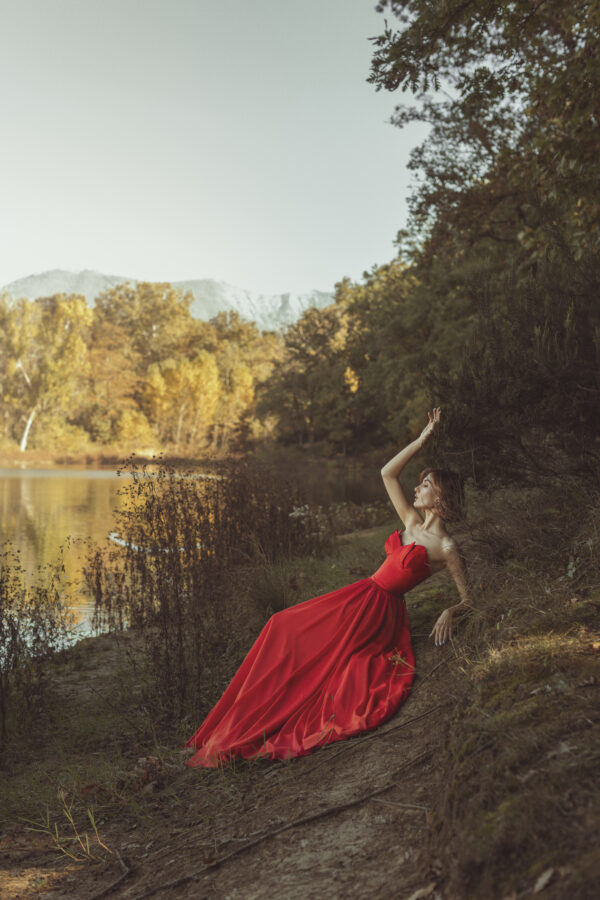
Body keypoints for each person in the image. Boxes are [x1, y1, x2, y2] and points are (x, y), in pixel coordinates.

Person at [184, 408, 473, 768]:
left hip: (379, 615)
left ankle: (263, 726)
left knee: (319, 660)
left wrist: (451, 610)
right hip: (359, 595)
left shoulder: (446, 548)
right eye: (421, 482)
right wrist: (422, 439)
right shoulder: (411, 521)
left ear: (441, 494)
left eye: (426, 484)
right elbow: (387, 473)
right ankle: (233, 719)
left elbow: (469, 599)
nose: (417, 488)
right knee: (281, 624)